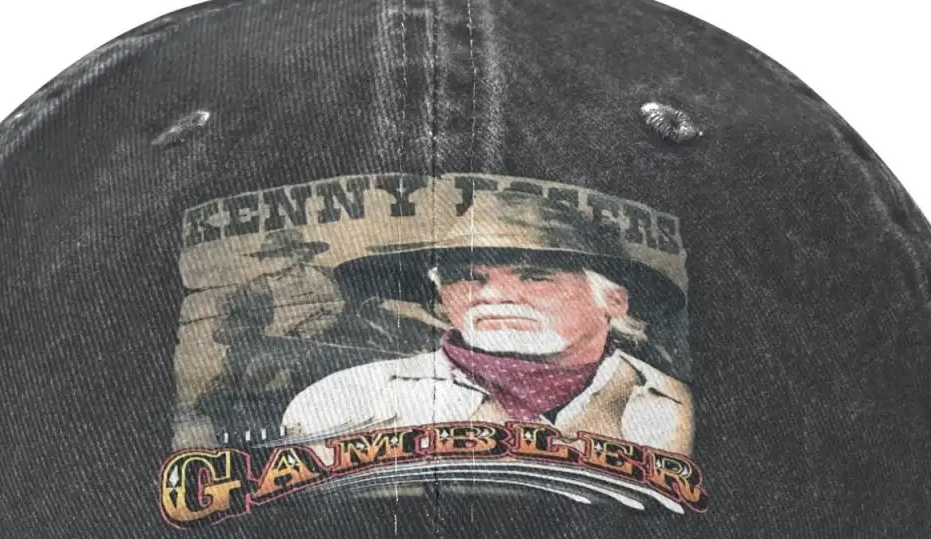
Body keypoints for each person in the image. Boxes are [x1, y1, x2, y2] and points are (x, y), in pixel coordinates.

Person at [282, 191, 694, 453]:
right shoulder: (346, 401)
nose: (492, 296)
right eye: (468, 277)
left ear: (614, 299)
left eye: (535, 276)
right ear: (442, 298)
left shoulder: (677, 406)